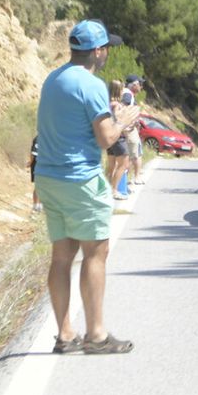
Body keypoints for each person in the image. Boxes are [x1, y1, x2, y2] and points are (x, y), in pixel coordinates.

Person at [35, 20, 142, 355]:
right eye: (106, 47)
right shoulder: (92, 85)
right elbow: (105, 138)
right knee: (96, 254)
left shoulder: (53, 79)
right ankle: (96, 335)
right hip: (80, 179)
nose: (108, 52)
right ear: (97, 51)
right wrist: (123, 122)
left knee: (62, 256)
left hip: (49, 177)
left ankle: (65, 335)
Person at [104, 79, 130, 200]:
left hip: (109, 136)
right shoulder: (117, 105)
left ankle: (105, 189)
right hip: (118, 137)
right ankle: (114, 190)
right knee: (123, 164)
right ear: (119, 90)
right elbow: (118, 120)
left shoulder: (107, 103)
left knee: (111, 165)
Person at [122, 75, 144, 185]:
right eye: (140, 84)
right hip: (129, 129)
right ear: (134, 85)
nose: (141, 87)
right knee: (133, 154)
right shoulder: (127, 94)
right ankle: (131, 178)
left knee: (130, 154)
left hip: (126, 128)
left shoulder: (127, 93)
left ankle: (128, 178)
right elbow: (124, 109)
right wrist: (133, 122)